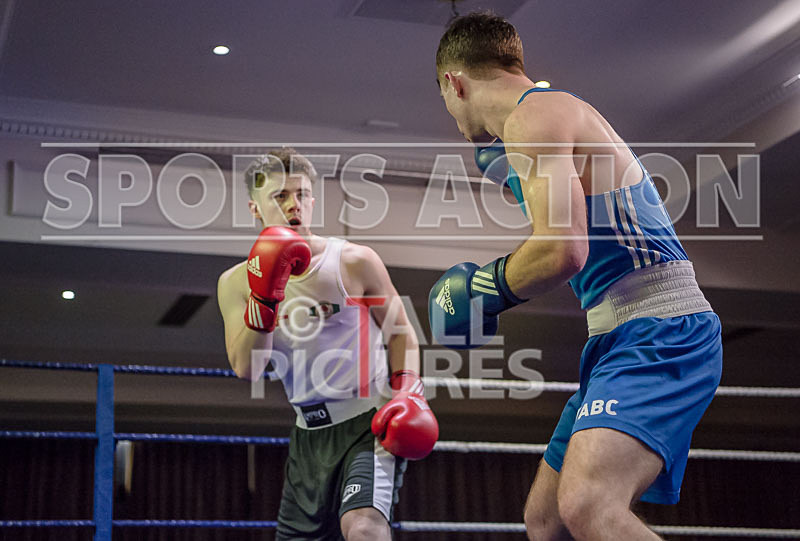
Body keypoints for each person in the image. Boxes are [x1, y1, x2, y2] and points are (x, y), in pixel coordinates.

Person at [430, 12, 722, 541]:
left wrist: (482, 286)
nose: (451, 113)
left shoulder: (535, 116)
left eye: (445, 99)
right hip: (618, 337)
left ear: (455, 82)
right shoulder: (543, 116)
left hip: (661, 327)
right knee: (546, 522)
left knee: (589, 504)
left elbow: (563, 250)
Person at [217, 148, 438, 541]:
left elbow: (400, 331)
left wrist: (408, 391)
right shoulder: (234, 283)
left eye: (301, 194)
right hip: (307, 434)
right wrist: (264, 298)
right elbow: (246, 367)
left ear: (313, 200)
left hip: (368, 423)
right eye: (280, 196)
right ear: (255, 207)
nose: (293, 204)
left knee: (364, 527)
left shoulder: (353, 261)